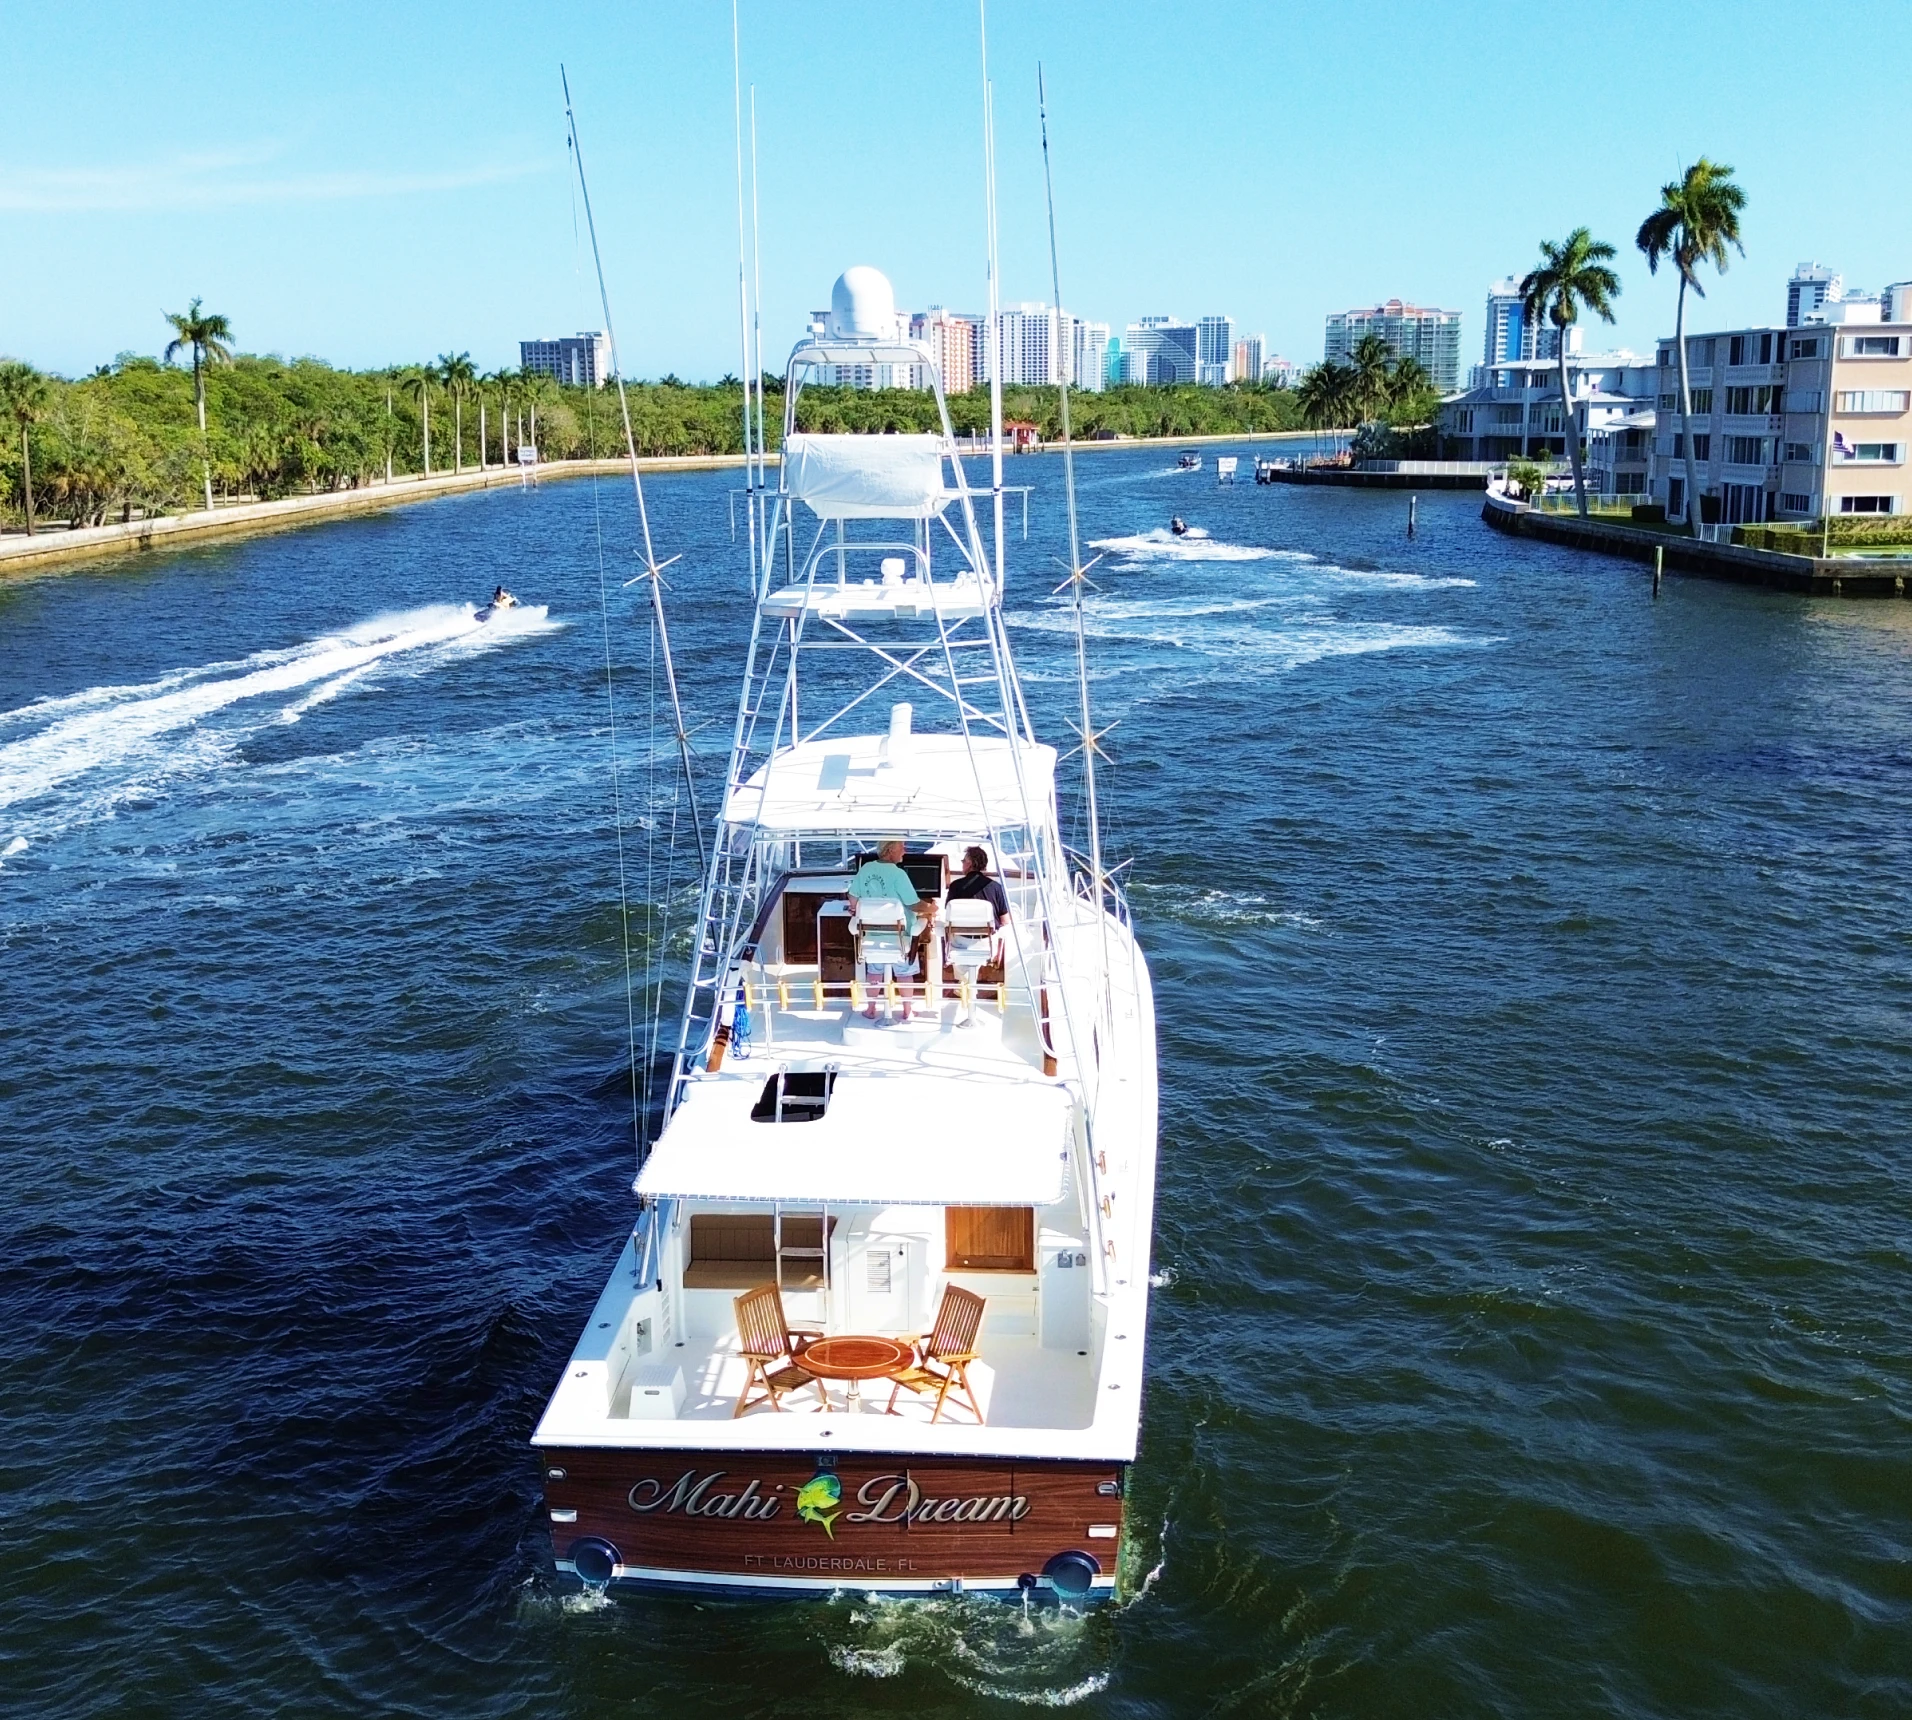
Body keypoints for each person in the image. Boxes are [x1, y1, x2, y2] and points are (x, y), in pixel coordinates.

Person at [846, 839, 935, 1020]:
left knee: (874, 971)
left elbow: (853, 896)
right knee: (904, 973)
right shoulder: (898, 874)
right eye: (902, 847)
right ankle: (907, 1011)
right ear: (891, 850)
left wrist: (855, 909)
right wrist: (932, 909)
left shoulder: (865, 869)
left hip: (871, 938)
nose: (905, 850)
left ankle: (871, 1009)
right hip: (900, 940)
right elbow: (914, 904)